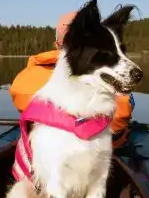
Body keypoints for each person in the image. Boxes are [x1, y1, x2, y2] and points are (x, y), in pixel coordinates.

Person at [9, 10, 135, 148]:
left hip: (45, 148)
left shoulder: (22, 79)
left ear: (57, 45)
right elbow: (123, 112)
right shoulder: (111, 80)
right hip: (107, 147)